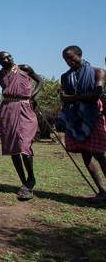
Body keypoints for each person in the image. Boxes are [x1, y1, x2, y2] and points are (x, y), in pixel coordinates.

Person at [0, 51, 43, 200]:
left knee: (24, 144)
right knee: (13, 148)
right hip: (7, 110)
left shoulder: (24, 68)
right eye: (5, 57)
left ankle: (31, 179)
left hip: (25, 107)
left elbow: (40, 81)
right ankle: (24, 183)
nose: (10, 58)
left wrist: (33, 95)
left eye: (10, 56)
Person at [58, 45, 106, 202]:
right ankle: (101, 191)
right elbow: (63, 97)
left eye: (71, 57)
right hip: (75, 119)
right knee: (86, 154)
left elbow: (95, 95)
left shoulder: (98, 72)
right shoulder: (65, 77)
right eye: (65, 59)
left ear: (79, 55)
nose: (68, 61)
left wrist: (72, 98)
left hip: (93, 116)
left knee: (99, 154)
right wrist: (69, 98)